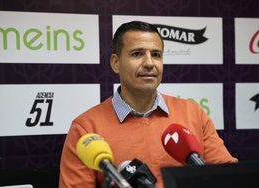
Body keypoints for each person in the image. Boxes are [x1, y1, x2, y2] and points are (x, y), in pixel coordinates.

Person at [59, 21, 238, 188]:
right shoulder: (85, 129)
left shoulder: (193, 114)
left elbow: (229, 179)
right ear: (115, 63)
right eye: (137, 54)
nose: (149, 63)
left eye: (156, 55)